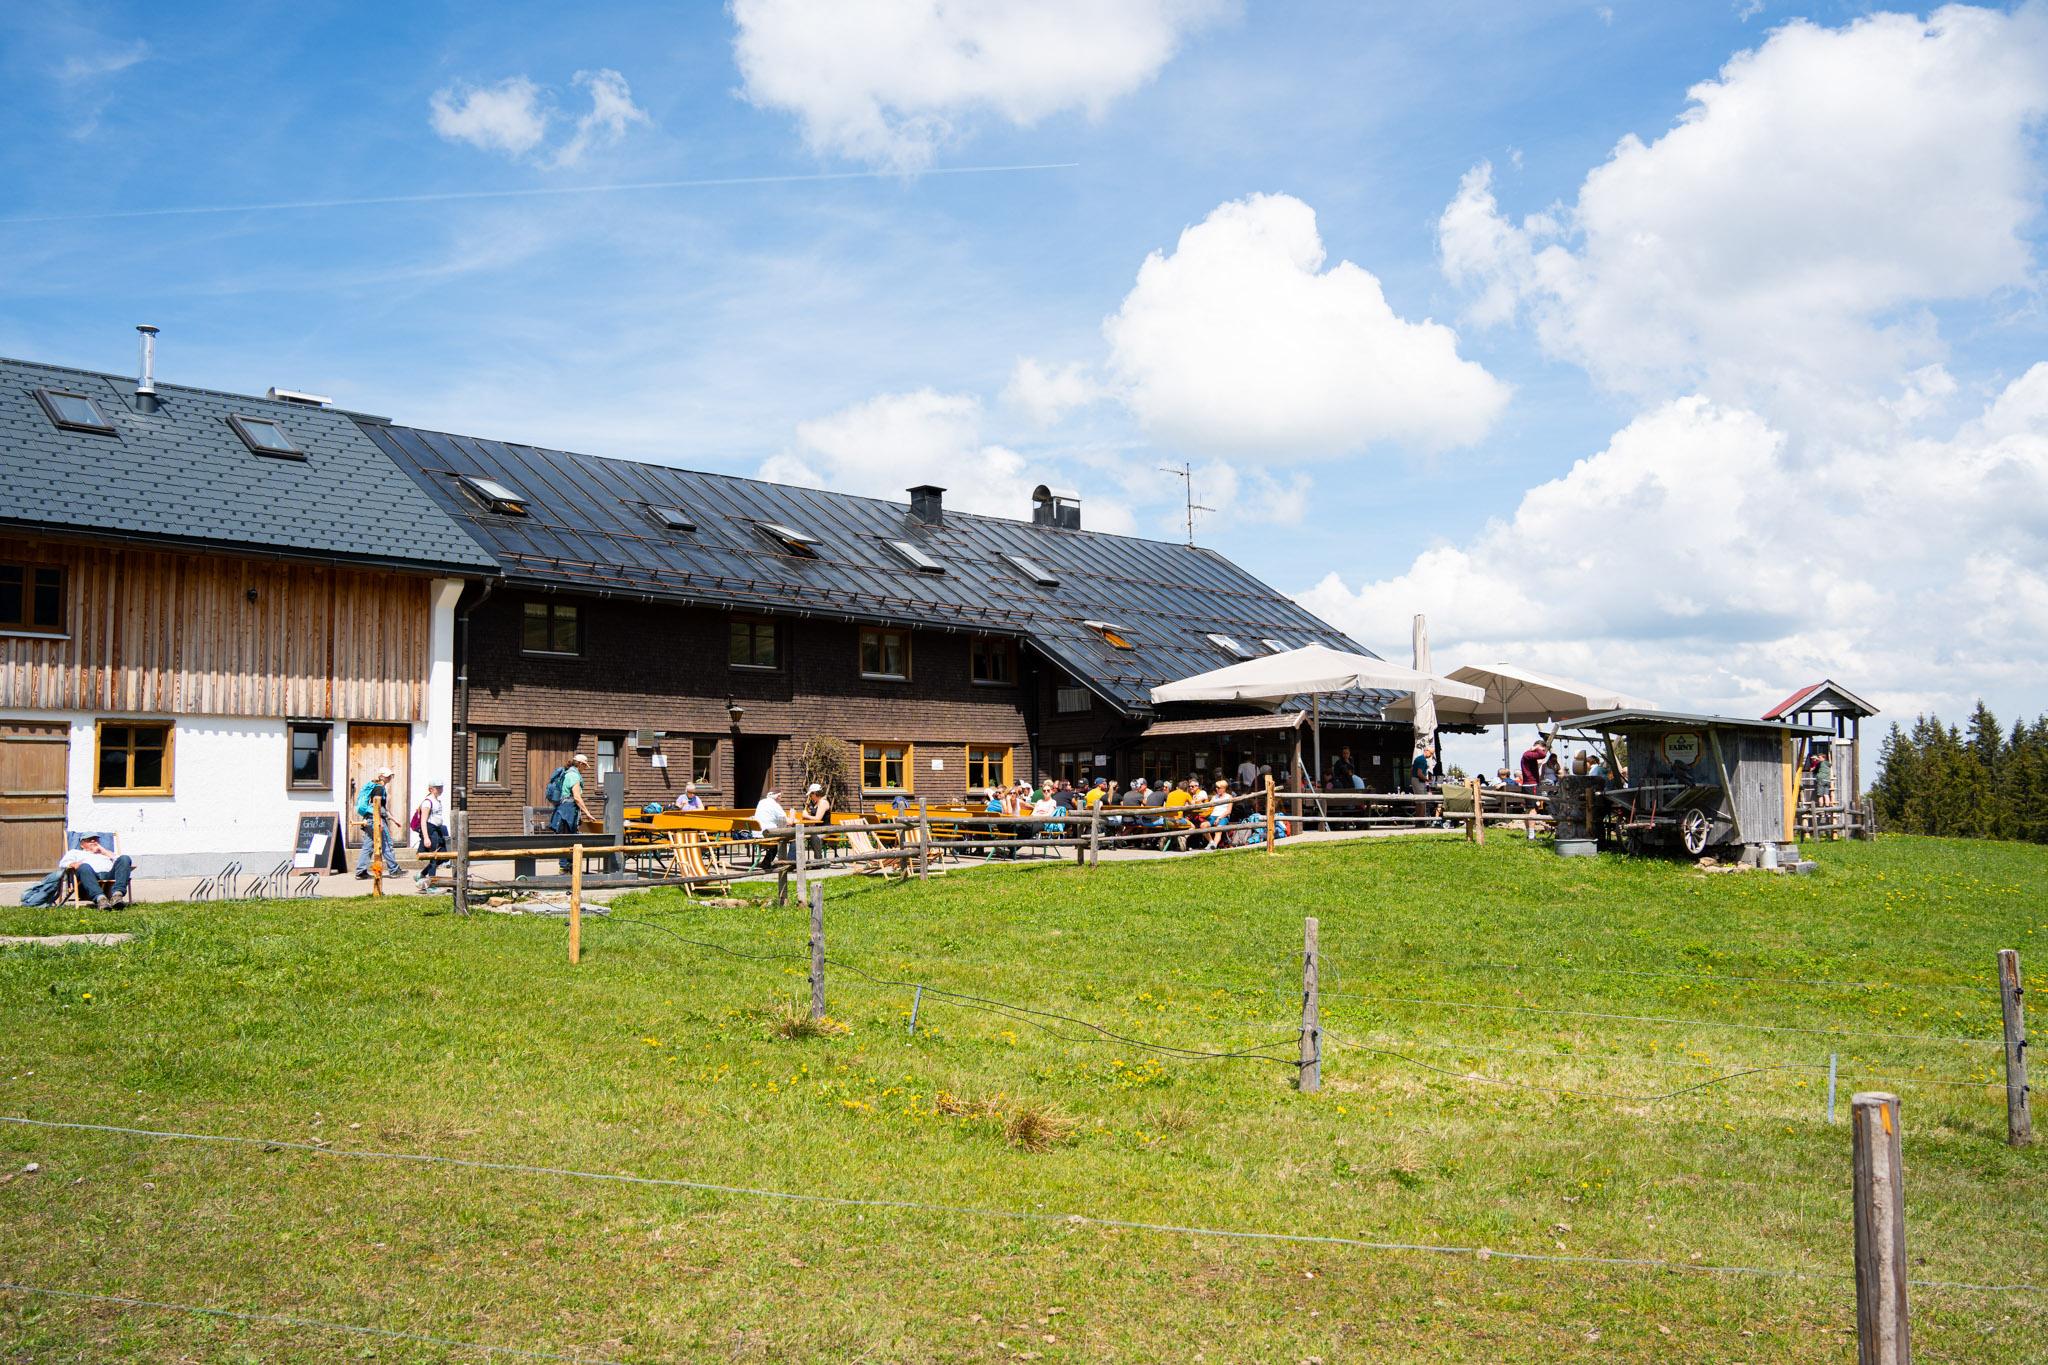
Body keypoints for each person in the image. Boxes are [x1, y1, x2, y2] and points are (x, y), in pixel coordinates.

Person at [546, 753, 595, 874]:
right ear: (581, 764)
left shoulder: (567, 773)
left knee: (566, 840)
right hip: (567, 813)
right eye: (585, 766)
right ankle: (566, 870)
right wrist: (587, 813)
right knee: (568, 840)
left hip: (562, 810)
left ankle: (566, 869)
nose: (585, 769)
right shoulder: (574, 776)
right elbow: (577, 798)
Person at [355, 766, 404, 879]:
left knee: (368, 846)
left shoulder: (376, 787)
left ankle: (360, 871)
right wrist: (379, 821)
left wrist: (393, 819)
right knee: (387, 843)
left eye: (390, 776)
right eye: (387, 776)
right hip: (376, 819)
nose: (389, 778)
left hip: (369, 818)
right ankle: (394, 870)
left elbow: (381, 808)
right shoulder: (379, 789)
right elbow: (376, 806)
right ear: (381, 776)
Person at [60, 833, 134, 909]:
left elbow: (121, 862)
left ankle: (117, 895)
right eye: (89, 840)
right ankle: (101, 899)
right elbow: (63, 863)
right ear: (82, 845)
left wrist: (104, 852)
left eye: (96, 839)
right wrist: (74, 864)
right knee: (84, 866)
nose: (93, 841)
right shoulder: (75, 852)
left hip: (109, 876)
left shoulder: (105, 853)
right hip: (88, 877)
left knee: (125, 858)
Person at [411, 782, 449, 881]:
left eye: (441, 787)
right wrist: (426, 838)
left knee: (444, 856)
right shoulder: (427, 802)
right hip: (431, 830)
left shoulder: (437, 801)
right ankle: (431, 883)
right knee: (434, 857)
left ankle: (422, 874)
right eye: (437, 788)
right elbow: (423, 821)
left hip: (439, 830)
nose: (440, 789)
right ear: (431, 789)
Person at [753, 789, 791, 866]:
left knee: (778, 836)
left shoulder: (761, 802)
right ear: (778, 796)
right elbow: (789, 822)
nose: (781, 798)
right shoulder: (775, 805)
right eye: (781, 796)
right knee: (790, 837)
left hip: (756, 835)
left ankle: (766, 862)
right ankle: (787, 862)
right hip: (766, 834)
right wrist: (792, 816)